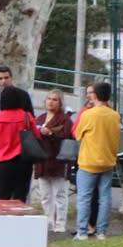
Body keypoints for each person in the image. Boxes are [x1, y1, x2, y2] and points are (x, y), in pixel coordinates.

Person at [73, 80, 123, 239]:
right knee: (105, 197)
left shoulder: (88, 115)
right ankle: (101, 231)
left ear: (95, 95)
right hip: (108, 161)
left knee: (84, 198)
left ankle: (82, 231)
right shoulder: (115, 115)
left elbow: (77, 134)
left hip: (88, 161)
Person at [0, 87, 40, 202]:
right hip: (24, 163)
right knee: (20, 199)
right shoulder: (27, 116)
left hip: (4, 164)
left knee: (2, 198)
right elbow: (37, 136)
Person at [34, 89, 76, 234]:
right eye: (49, 99)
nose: (51, 102)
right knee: (45, 195)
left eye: (55, 99)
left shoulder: (65, 119)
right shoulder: (40, 118)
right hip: (42, 161)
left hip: (59, 161)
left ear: (60, 103)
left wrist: (51, 132)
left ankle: (60, 223)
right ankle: (48, 222)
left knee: (60, 194)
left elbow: (67, 136)